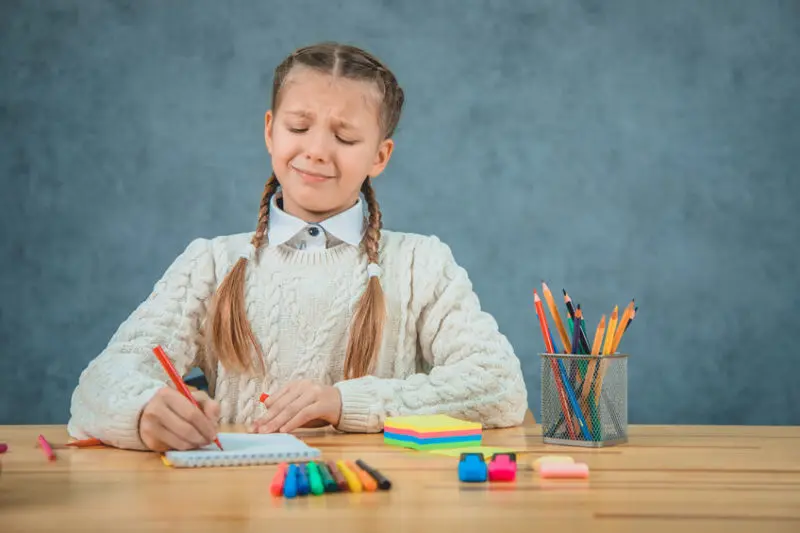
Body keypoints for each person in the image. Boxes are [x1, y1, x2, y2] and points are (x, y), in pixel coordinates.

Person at [68, 42, 528, 452]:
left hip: (378, 505)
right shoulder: (211, 263)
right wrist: (146, 413)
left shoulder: (419, 264)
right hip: (233, 507)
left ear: (379, 156)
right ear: (270, 131)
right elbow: (99, 384)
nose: (317, 151)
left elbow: (500, 385)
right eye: (298, 127)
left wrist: (346, 403)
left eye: (345, 137)